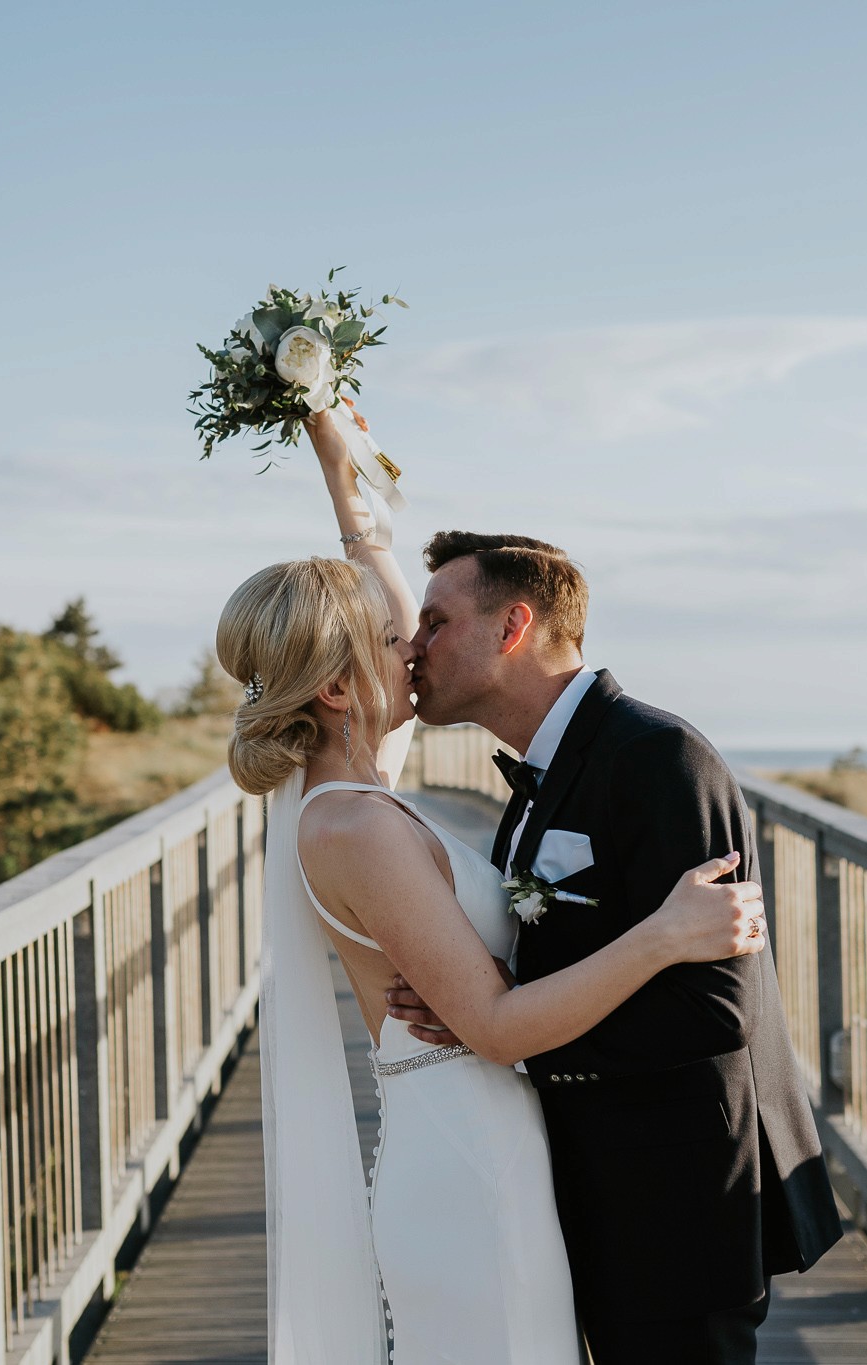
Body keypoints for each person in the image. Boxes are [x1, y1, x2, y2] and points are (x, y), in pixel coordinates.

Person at [217, 404, 768, 1363]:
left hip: (496, 1145)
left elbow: (388, 610)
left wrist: (340, 467)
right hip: (467, 1156)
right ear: (342, 689)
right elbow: (499, 1027)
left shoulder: (354, 785)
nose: (415, 648)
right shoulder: (351, 821)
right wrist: (664, 935)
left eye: (424, 630)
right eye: (398, 642)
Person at [383, 529, 845, 1361]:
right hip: (594, 1180)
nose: (414, 648)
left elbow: (715, 1009)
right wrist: (486, 993)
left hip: (677, 1194)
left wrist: (508, 1034)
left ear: (511, 626)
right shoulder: (541, 775)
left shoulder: (660, 757)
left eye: (433, 622)